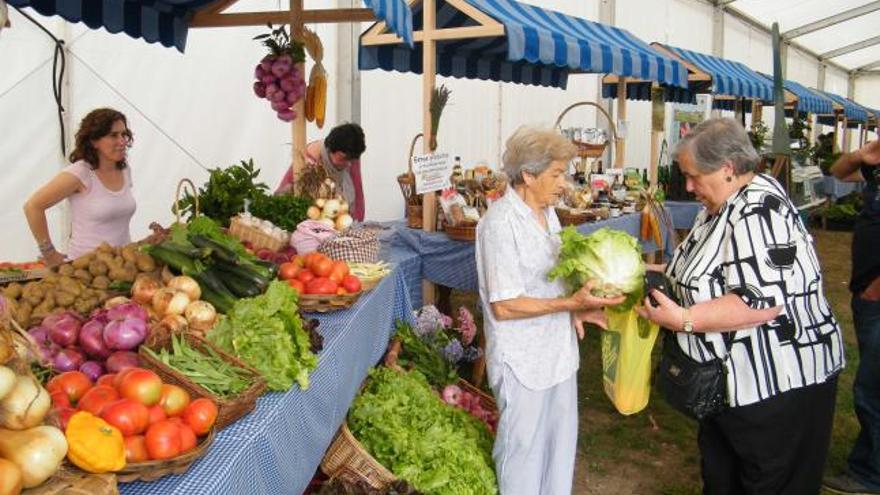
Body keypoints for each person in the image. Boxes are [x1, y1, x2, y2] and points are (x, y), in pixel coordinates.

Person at [637, 118, 845, 494]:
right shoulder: (720, 205)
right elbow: (699, 270)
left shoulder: (758, 210)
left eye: (693, 176)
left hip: (779, 384)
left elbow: (760, 303)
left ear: (728, 168)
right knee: (723, 478)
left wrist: (683, 319)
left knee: (771, 481)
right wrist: (638, 270)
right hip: (734, 386)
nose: (687, 186)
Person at [475, 126, 624, 495]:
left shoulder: (548, 216)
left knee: (559, 448)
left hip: (557, 353)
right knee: (522, 451)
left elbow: (547, 282)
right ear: (528, 174)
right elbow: (505, 305)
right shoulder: (499, 224)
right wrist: (568, 304)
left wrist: (575, 312)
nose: (565, 183)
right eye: (557, 174)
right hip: (522, 359)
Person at [823, 139, 880, 495]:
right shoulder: (875, 167)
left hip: (876, 297)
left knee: (871, 390)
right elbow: (838, 172)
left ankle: (869, 475)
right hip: (866, 295)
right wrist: (862, 155)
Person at [23, 108, 136, 266]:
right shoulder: (80, 172)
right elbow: (32, 207)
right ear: (94, 141)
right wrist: (49, 253)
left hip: (123, 266)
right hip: (85, 269)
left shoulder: (124, 170)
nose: (122, 141)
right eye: (113, 135)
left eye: (124, 134)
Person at [275, 122, 366, 221]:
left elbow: (358, 193)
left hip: (342, 221)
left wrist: (358, 223)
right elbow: (282, 193)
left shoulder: (351, 155)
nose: (349, 164)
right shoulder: (308, 160)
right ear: (331, 149)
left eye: (351, 159)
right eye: (344, 158)